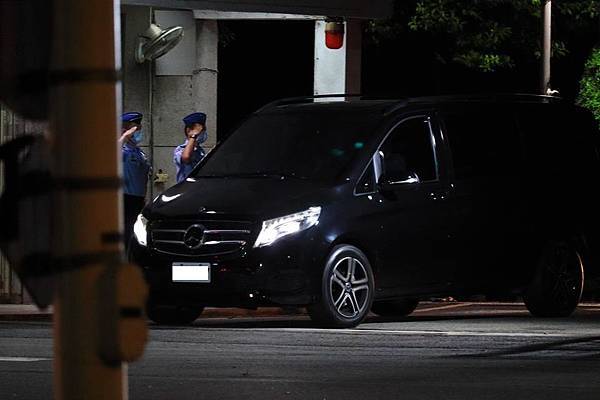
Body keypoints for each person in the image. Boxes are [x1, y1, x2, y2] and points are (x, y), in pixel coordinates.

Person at [119, 111, 150, 249]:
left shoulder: (140, 153)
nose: (139, 132)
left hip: (139, 199)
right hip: (126, 199)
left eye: (139, 128)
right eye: (136, 129)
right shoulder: (122, 151)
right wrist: (125, 137)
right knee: (126, 235)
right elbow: (110, 155)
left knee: (137, 235)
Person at [173, 112, 208, 183]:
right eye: (200, 131)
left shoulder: (200, 151)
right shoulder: (181, 149)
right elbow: (186, 157)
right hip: (186, 187)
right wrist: (193, 136)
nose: (203, 133)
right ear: (189, 130)